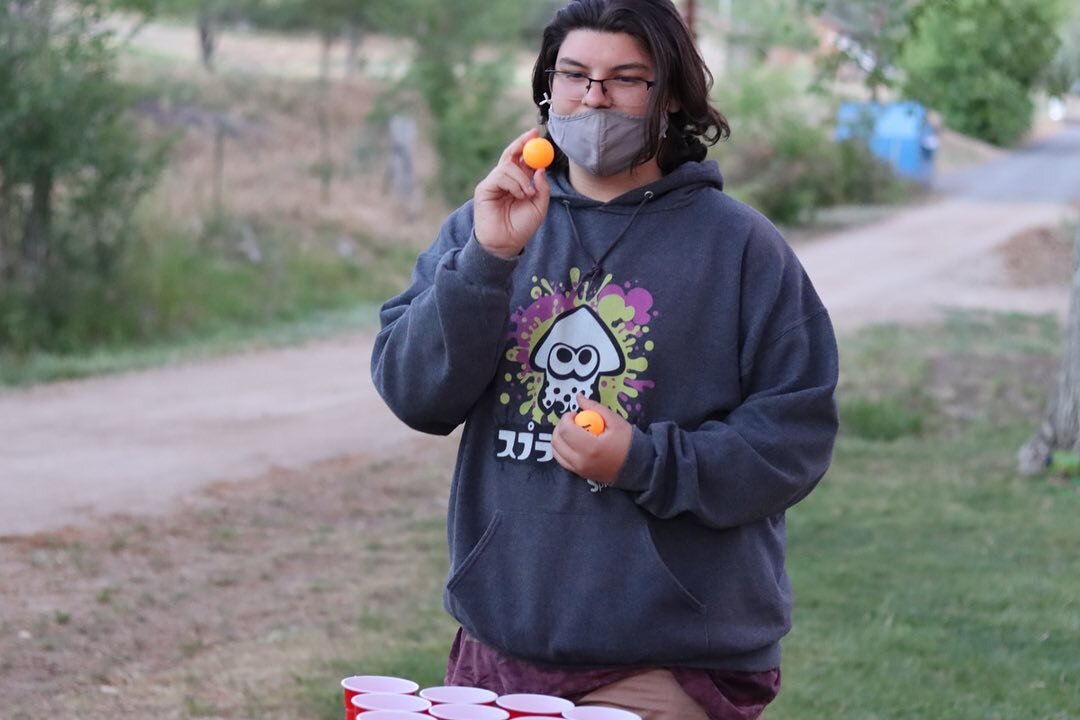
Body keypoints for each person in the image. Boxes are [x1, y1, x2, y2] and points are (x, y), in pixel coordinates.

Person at [370, 1, 839, 718]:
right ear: (546, 86)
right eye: (575, 75)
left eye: (626, 79)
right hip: (500, 646)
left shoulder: (741, 248)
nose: (593, 98)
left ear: (671, 95)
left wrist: (643, 462)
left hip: (667, 660)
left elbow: (793, 437)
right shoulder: (484, 226)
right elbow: (414, 393)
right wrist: (490, 259)